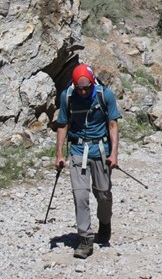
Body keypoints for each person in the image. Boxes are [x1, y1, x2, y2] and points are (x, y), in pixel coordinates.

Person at [55, 63, 121, 259]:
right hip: (78, 150)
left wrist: (114, 154)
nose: (83, 92)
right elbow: (62, 125)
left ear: (93, 83)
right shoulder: (67, 97)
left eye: (87, 88)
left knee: (103, 194)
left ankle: (105, 223)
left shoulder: (105, 95)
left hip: (100, 150)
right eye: (79, 88)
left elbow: (113, 124)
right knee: (80, 195)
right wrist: (59, 154)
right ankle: (85, 239)